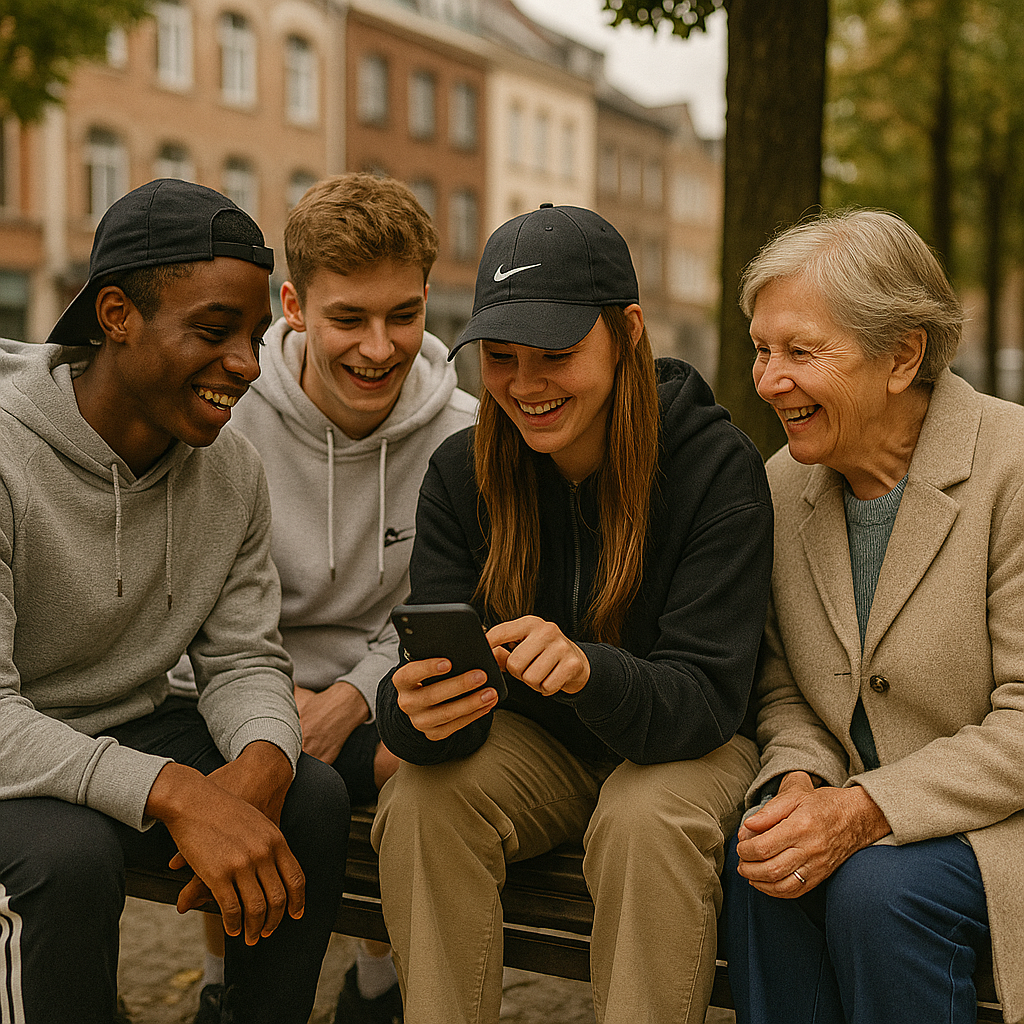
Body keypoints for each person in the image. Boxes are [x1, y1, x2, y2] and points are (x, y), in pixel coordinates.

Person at [371, 203, 774, 1024]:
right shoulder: (460, 474)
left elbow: (708, 698)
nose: (525, 386)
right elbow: (433, 688)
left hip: (691, 743)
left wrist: (590, 669)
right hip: (541, 747)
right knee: (419, 801)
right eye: (502, 358)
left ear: (627, 333)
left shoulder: (714, 467)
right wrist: (411, 711)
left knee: (644, 818)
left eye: (556, 354)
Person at [0, 178, 349, 1024]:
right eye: (213, 330)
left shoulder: (230, 471)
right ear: (116, 315)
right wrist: (180, 794)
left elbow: (244, 657)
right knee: (69, 858)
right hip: (13, 747)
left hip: (122, 726)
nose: (247, 364)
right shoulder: (8, 455)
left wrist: (264, 759)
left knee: (309, 796)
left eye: (254, 336)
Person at [720, 208, 1024, 1024]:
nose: (768, 381)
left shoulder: (1013, 467)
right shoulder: (781, 485)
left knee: (878, 890)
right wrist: (799, 782)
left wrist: (862, 810)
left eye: (801, 352)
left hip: (1003, 821)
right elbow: (786, 689)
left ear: (902, 357)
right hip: (865, 816)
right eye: (761, 350)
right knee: (767, 865)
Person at [188, 172, 474, 1023]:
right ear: (295, 307)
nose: (379, 348)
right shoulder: (224, 419)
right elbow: (193, 608)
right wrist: (272, 709)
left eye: (404, 315)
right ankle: (219, 986)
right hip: (233, 681)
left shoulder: (463, 436)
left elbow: (444, 606)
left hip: (377, 690)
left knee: (421, 761)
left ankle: (376, 980)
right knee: (244, 772)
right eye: (349, 318)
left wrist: (350, 699)